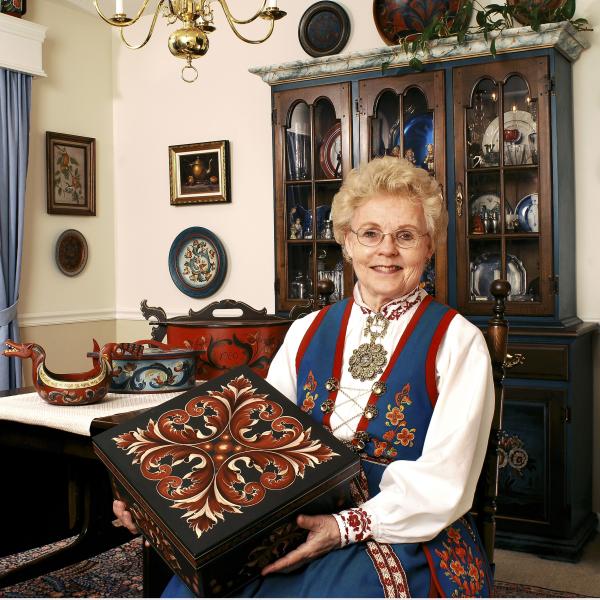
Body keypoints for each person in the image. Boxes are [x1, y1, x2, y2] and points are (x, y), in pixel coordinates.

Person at [114, 156, 494, 597]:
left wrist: (344, 526)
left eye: (405, 236)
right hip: (291, 513)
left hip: (404, 528)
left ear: (430, 248)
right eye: (370, 234)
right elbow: (252, 442)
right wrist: (161, 504)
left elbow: (446, 481)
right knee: (195, 588)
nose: (386, 250)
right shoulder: (306, 331)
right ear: (347, 243)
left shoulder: (458, 341)